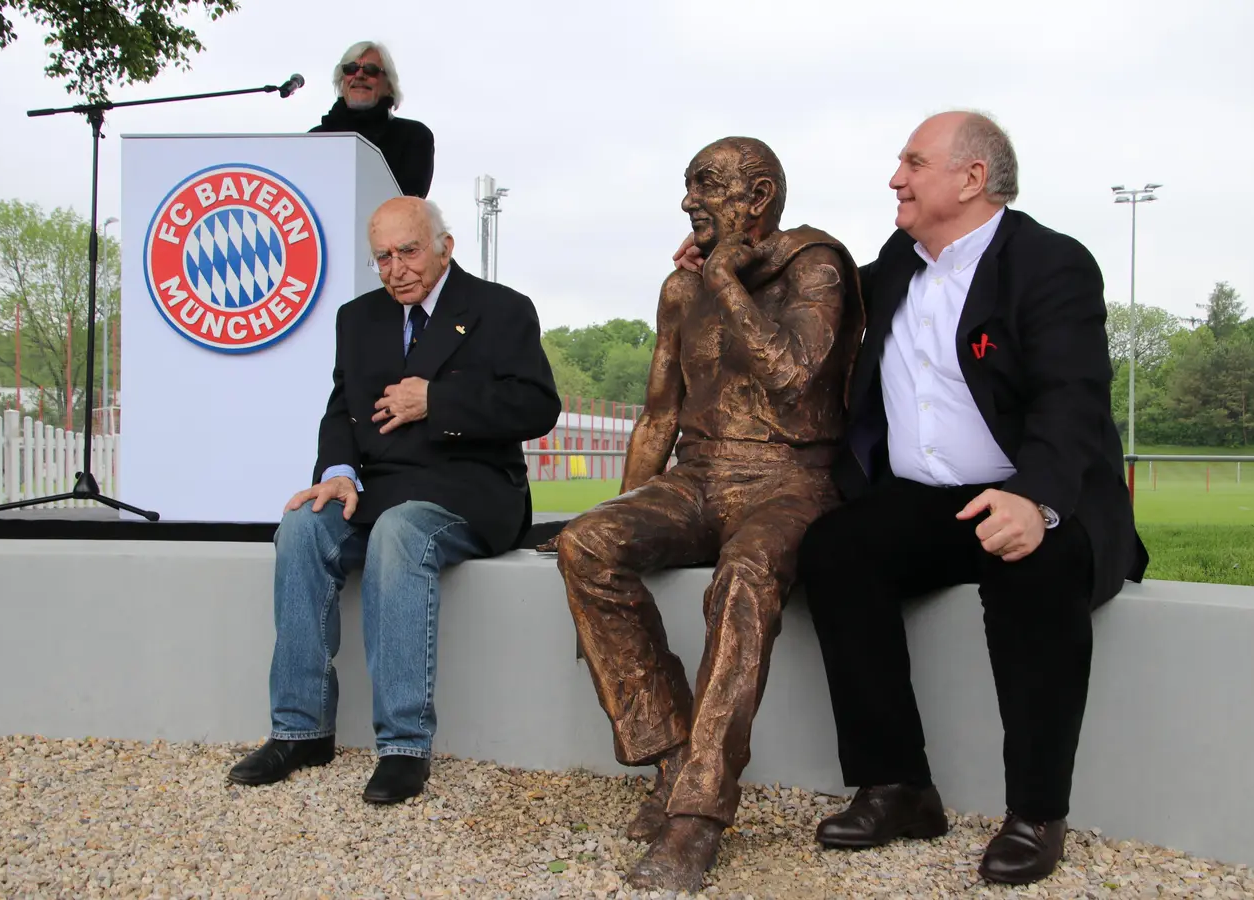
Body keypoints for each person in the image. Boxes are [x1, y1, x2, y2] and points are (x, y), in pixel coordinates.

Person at [675, 110, 1149, 886]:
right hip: (927, 500)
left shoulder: (1050, 264)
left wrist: (1034, 499)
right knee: (836, 551)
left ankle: (1035, 812)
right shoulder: (899, 260)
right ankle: (898, 785)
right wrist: (725, 260)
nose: (895, 177)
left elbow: (1072, 401)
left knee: (1034, 571)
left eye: (913, 162)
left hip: (1034, 493)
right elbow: (812, 296)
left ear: (972, 179)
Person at [548, 136, 864, 893]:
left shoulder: (817, 267)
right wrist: (622, 502)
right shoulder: (679, 288)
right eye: (689, 187)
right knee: (587, 543)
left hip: (792, 478)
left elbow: (792, 373)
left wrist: (723, 275)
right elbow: (659, 416)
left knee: (748, 572)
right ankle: (671, 754)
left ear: (757, 197)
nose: (689, 202)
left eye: (705, 187)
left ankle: (698, 814)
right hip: (699, 474)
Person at [227, 196, 560, 805]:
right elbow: (340, 409)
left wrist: (438, 402)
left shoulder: (501, 309)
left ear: (444, 246)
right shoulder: (359, 319)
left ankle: (404, 747)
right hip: (375, 488)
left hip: (469, 489)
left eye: (408, 251)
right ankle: (300, 730)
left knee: (400, 532)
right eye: (382, 256)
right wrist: (337, 471)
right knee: (303, 524)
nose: (396, 268)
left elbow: (538, 408)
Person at [309, 41, 435, 198]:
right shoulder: (314, 138)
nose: (359, 75)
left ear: (389, 86)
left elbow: (408, 205)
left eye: (371, 70)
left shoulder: (413, 137)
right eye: (351, 69)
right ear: (342, 82)